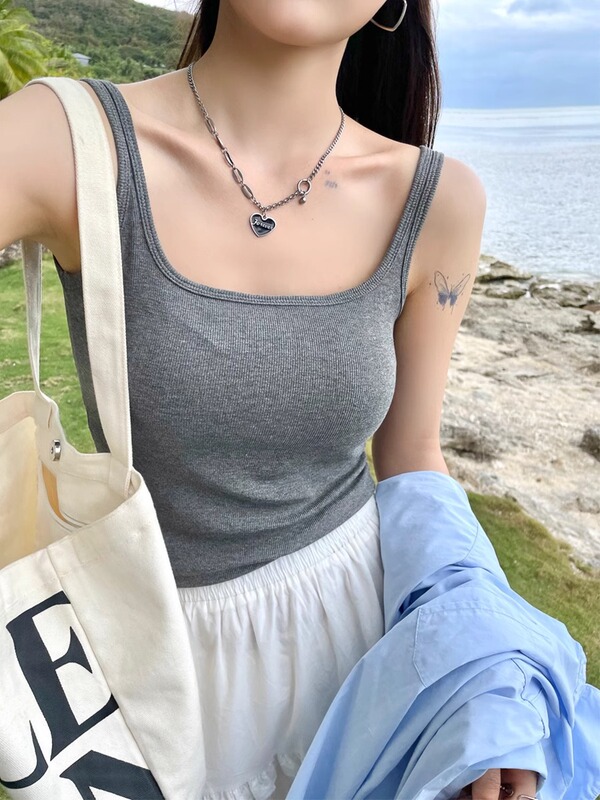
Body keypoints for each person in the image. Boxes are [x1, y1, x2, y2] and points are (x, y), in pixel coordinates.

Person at [0, 0, 540, 797]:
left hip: (364, 659)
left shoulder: (439, 199)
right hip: (148, 665)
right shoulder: (64, 139)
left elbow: (412, 456)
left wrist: (474, 668)